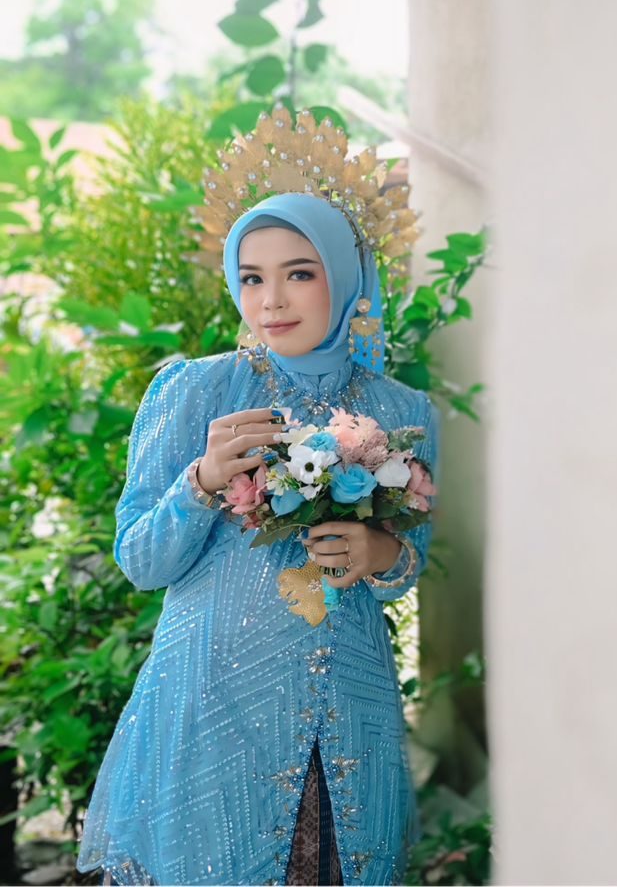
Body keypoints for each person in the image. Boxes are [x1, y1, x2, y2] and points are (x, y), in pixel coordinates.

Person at [75, 190, 441, 886]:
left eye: (299, 272)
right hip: (213, 707)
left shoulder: (402, 410)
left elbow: (408, 563)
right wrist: (202, 481)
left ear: (349, 279)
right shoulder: (197, 392)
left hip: (346, 703)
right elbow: (141, 561)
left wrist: (382, 554)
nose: (271, 299)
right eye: (251, 277)